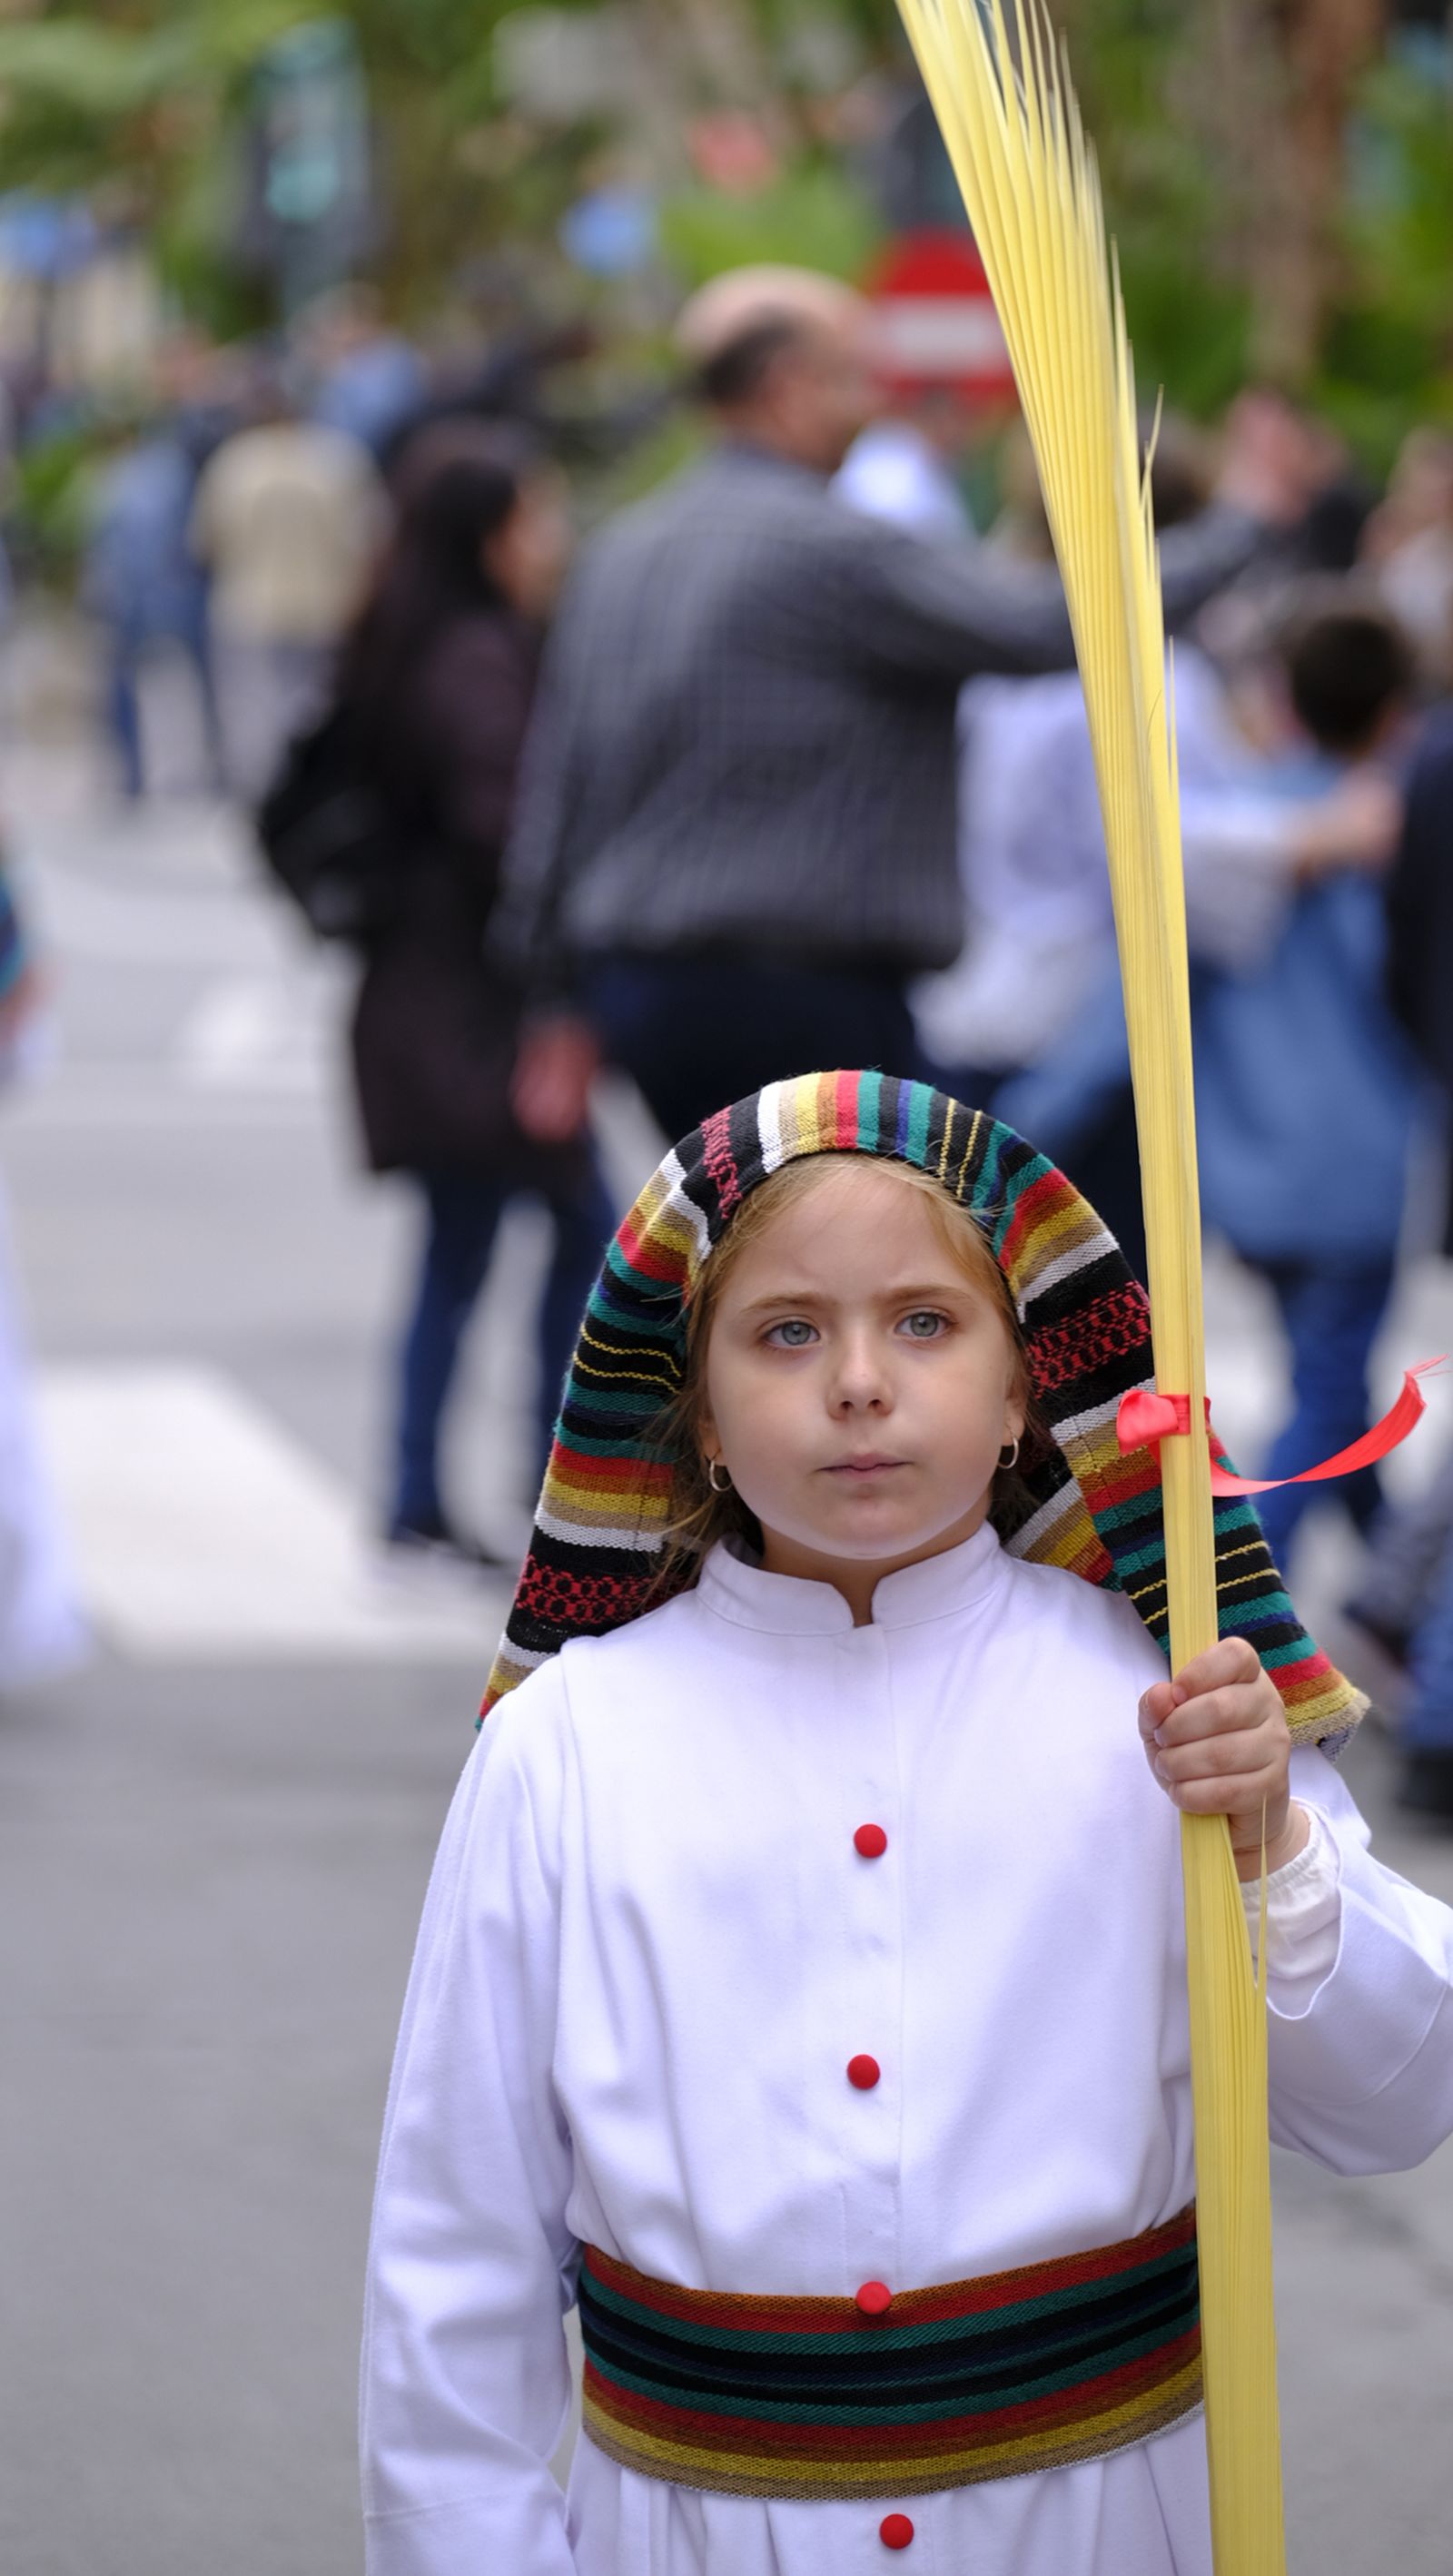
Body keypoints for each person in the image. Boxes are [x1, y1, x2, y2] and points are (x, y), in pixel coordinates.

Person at [361, 1072, 1453, 2576]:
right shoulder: (567, 1747)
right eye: (787, 1330)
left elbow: (1397, 2098)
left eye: (927, 1323)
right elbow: (455, 2250)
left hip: (1096, 2525)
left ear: (1025, 1391)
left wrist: (1273, 1840)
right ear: (694, 1409)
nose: (859, 1381)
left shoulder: (1175, 1704)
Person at [496, 267, 1297, 1152]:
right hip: (803, 994)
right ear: (785, 385)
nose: (871, 404)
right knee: (850, 1260)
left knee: (737, 1260)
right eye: (849, 376)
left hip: (640, 986)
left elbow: (555, 792)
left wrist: (553, 996)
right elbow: (1039, 627)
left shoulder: (621, 552)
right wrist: (1241, 526)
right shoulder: (829, 547)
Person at [337, 423, 614, 1574]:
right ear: (488, 534)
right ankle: (543, 1481)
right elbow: (509, 834)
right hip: (476, 1012)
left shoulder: (405, 641)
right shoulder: (479, 660)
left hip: (424, 997)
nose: (548, 541)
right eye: (532, 518)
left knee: (470, 1245)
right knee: (574, 1231)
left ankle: (425, 1491)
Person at [189, 375, 390, 798]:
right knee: (313, 706)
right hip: (325, 606)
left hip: (252, 607)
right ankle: (307, 788)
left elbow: (206, 541)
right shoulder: (339, 460)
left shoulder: (236, 463)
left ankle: (267, 794)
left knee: (254, 712)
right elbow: (369, 539)